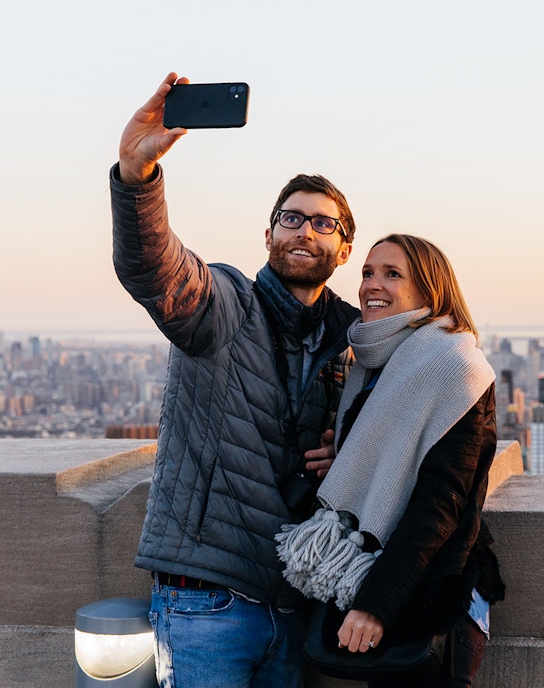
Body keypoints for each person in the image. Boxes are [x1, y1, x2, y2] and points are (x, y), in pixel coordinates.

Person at [111, 72, 360, 687]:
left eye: (323, 224)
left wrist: (348, 451)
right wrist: (136, 175)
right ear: (268, 233)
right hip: (206, 601)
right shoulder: (226, 304)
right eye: (291, 218)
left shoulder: (354, 339)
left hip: (297, 603)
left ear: (345, 248)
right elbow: (158, 270)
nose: (305, 231)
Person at [277, 234, 505, 687]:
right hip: (381, 575)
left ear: (429, 291)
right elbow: (389, 461)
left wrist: (375, 606)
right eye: (366, 272)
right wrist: (344, 460)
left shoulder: (454, 367)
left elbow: (438, 506)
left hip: (431, 595)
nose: (371, 285)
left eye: (392, 274)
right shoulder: (374, 362)